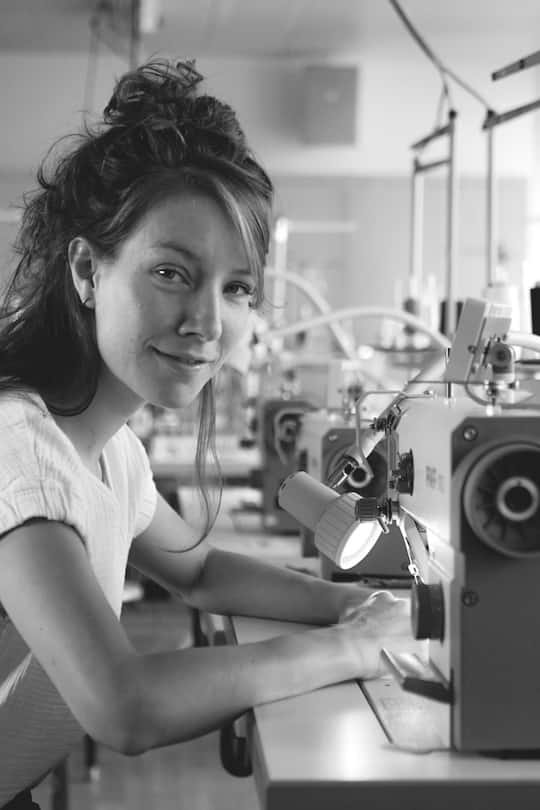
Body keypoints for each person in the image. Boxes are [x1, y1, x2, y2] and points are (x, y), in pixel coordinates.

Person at [0, 58, 411, 808]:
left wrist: (355, 608)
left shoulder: (110, 450)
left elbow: (198, 570)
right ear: (88, 271)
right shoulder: (20, 448)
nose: (208, 324)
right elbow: (124, 704)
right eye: (171, 273)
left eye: (236, 287)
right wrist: (344, 648)